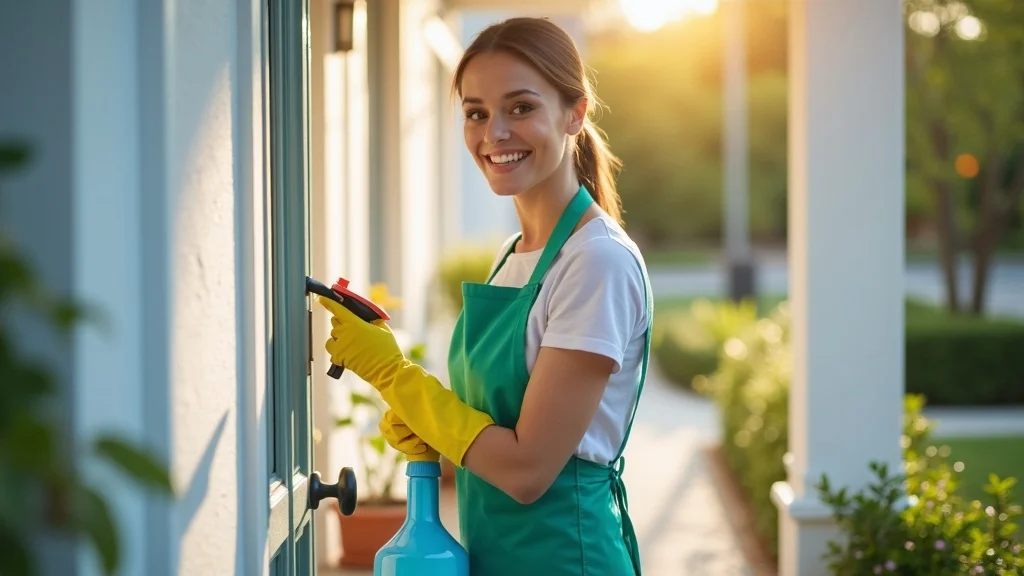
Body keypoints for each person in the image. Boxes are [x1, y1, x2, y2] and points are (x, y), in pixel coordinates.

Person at [317, 16, 653, 576]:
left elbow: (527, 469)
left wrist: (397, 379)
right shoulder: (512, 256)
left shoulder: (596, 262)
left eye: (520, 107)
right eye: (476, 112)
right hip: (494, 558)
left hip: (566, 561)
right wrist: (427, 424)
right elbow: (494, 426)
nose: (493, 132)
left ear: (576, 112)